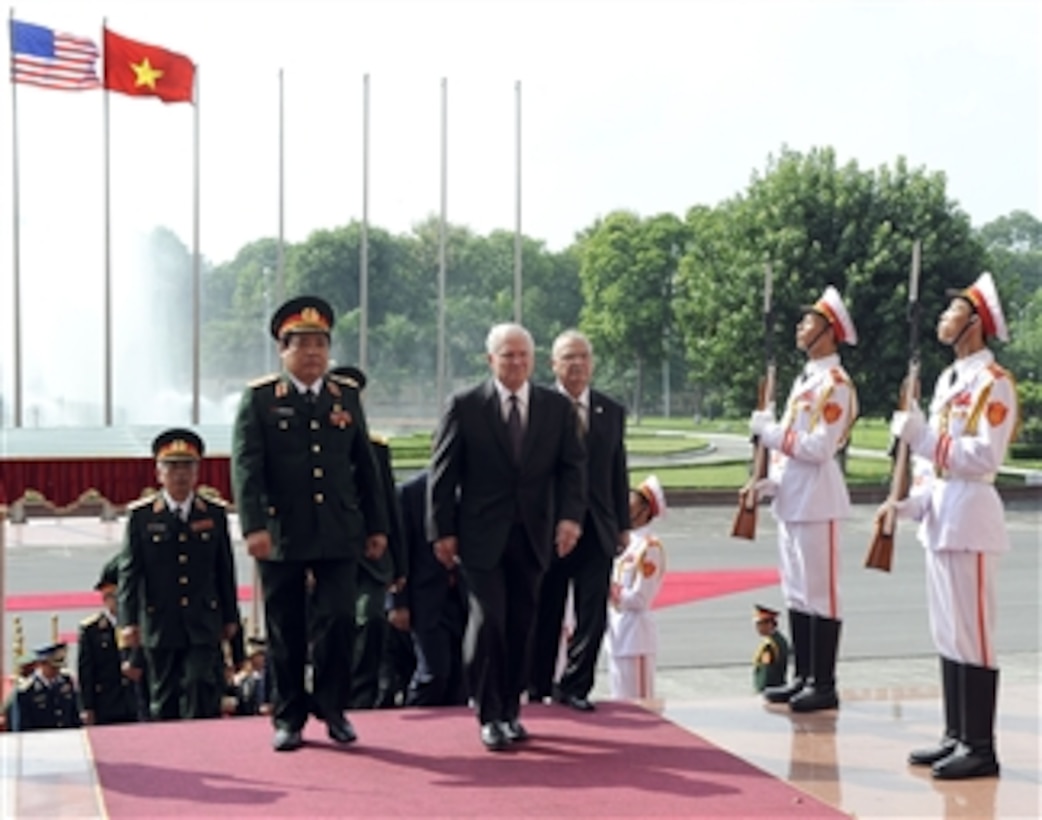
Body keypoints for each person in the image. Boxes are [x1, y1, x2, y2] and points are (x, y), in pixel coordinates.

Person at [232, 296, 389, 752]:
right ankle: (289, 715)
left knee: (340, 620)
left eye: (321, 344)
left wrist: (377, 526)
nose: (314, 354)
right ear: (283, 351)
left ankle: (334, 707)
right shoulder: (261, 399)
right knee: (286, 627)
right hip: (282, 532)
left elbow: (366, 466)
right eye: (303, 346)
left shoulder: (345, 396)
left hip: (339, 529)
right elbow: (247, 467)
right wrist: (254, 526)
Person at [428, 322, 586, 751]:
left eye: (523, 355)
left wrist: (570, 519)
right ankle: (487, 709)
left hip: (534, 535)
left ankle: (511, 709)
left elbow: (573, 469)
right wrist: (441, 531)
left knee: (523, 624)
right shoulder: (465, 406)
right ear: (490, 360)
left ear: (533, 361)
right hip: (480, 536)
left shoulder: (555, 408)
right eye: (507, 355)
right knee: (489, 620)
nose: (516, 363)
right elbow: (442, 475)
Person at [886, 272, 1016, 780]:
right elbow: (933, 465)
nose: (944, 318)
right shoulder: (948, 380)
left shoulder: (993, 382)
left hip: (972, 513)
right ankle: (955, 734)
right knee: (948, 630)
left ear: (976, 323)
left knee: (975, 634)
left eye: (953, 311)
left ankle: (981, 746)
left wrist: (921, 439)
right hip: (942, 511)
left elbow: (985, 453)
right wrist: (910, 503)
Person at [748, 285, 859, 713]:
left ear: (828, 331)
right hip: (794, 497)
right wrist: (770, 483)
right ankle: (803, 676)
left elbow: (819, 447)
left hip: (818, 500)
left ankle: (824, 682)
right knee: (796, 592)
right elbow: (791, 453)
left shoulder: (835, 384)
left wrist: (770, 431)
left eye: (808, 321)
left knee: (821, 594)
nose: (800, 327)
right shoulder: (806, 380)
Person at [530, 329, 630, 712]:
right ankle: (537, 683)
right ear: (553, 364)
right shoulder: (539, 407)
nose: (577, 364)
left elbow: (617, 470)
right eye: (568, 357)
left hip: (598, 526)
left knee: (592, 613)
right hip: (551, 528)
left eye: (583, 357)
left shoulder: (610, 410)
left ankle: (575, 686)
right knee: (546, 609)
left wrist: (622, 523)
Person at [118, 429, 240, 721]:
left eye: (187, 467)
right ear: (159, 473)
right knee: (164, 696)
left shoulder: (213, 513)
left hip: (202, 621)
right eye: (172, 468)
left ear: (197, 472)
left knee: (201, 685)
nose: (180, 475)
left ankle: (202, 746)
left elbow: (224, 568)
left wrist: (230, 617)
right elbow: (130, 573)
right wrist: (129, 621)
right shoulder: (143, 516)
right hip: (161, 621)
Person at [326, 365, 409, 711]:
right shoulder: (317, 446)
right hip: (328, 553)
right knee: (335, 626)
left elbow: (389, 507)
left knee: (372, 619)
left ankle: (363, 696)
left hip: (372, 558)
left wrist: (400, 565)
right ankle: (333, 694)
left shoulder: (376, 449)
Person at [400, 469, 467, 707]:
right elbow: (401, 552)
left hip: (466, 597)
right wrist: (398, 602)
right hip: (425, 597)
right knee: (434, 673)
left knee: (461, 677)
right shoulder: (411, 493)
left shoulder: (477, 487)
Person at [605, 475, 667, 700]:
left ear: (644, 510)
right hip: (618, 632)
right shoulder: (626, 542)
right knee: (619, 697)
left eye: (633, 501)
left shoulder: (649, 547)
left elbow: (640, 598)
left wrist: (609, 589)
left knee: (638, 700)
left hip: (636, 636)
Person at [77, 555, 139, 725]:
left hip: (137, 702)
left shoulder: (139, 625)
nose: (118, 602)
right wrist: (87, 707)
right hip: (107, 703)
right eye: (112, 597)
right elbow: (86, 673)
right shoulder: (91, 630)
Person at [9, 643, 81, 732]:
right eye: (53, 667)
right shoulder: (27, 691)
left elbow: (74, 717)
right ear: (41, 664)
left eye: (58, 666)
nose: (57, 670)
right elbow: (22, 727)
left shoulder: (66, 682)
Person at [752, 604, 791, 693]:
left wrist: (761, 689)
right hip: (779, 686)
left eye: (760, 624)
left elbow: (766, 671)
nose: (757, 628)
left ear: (769, 624)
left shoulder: (768, 646)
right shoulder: (780, 640)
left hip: (770, 689)